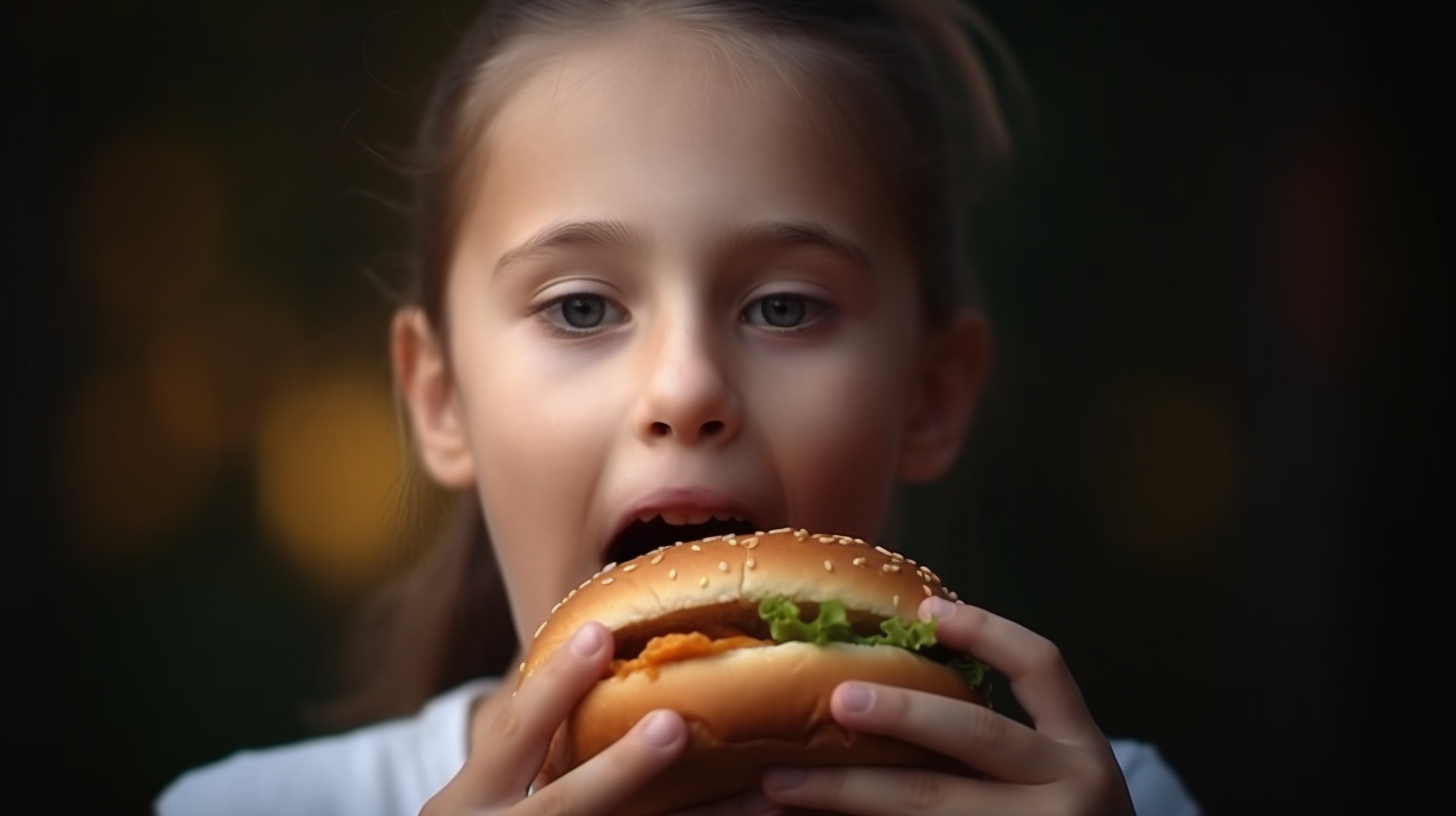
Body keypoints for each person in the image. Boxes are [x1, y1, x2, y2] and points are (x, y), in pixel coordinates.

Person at [157, 1, 1200, 814]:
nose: (686, 387)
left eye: (784, 306)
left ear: (930, 393)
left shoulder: (1108, 800)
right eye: (579, 307)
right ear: (441, 399)